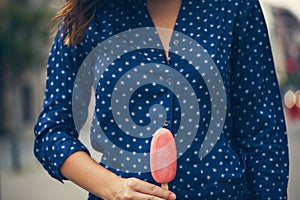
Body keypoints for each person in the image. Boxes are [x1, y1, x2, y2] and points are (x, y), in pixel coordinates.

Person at [34, 0, 289, 199]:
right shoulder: (86, 16)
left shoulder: (234, 7)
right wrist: (112, 187)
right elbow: (52, 131)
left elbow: (263, 131)